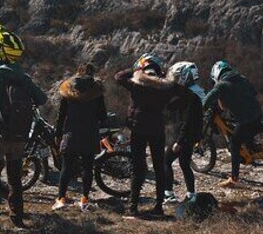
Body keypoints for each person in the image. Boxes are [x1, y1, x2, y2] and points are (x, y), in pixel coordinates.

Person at [0, 24, 47, 231]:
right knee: (15, 179)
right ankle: (17, 216)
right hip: (20, 136)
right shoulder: (24, 78)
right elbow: (42, 98)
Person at [115, 54, 177, 217]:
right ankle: (158, 207)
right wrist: (165, 75)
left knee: (138, 167)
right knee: (159, 166)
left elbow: (119, 77)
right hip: (157, 128)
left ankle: (133, 205)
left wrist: (136, 69)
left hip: (138, 128)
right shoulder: (165, 87)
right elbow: (177, 90)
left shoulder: (137, 85)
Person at [52, 63, 109, 212]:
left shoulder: (67, 90)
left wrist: (58, 134)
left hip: (71, 133)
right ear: (92, 74)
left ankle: (61, 199)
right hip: (89, 134)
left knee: (66, 168)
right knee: (88, 168)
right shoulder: (96, 92)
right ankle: (84, 199)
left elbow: (61, 115)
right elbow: (102, 116)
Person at [203, 60, 262, 188]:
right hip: (257, 113)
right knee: (242, 131)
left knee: (234, 144)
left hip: (245, 119)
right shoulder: (242, 78)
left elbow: (208, 99)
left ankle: (234, 179)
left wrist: (199, 109)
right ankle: (250, 149)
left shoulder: (221, 85)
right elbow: (253, 92)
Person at [164, 61, 205, 202]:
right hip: (191, 137)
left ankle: (168, 194)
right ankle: (191, 196)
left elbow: (187, 121)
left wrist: (179, 141)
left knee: (166, 161)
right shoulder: (194, 94)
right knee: (184, 164)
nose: (174, 80)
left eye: (176, 77)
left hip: (184, 138)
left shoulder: (188, 97)